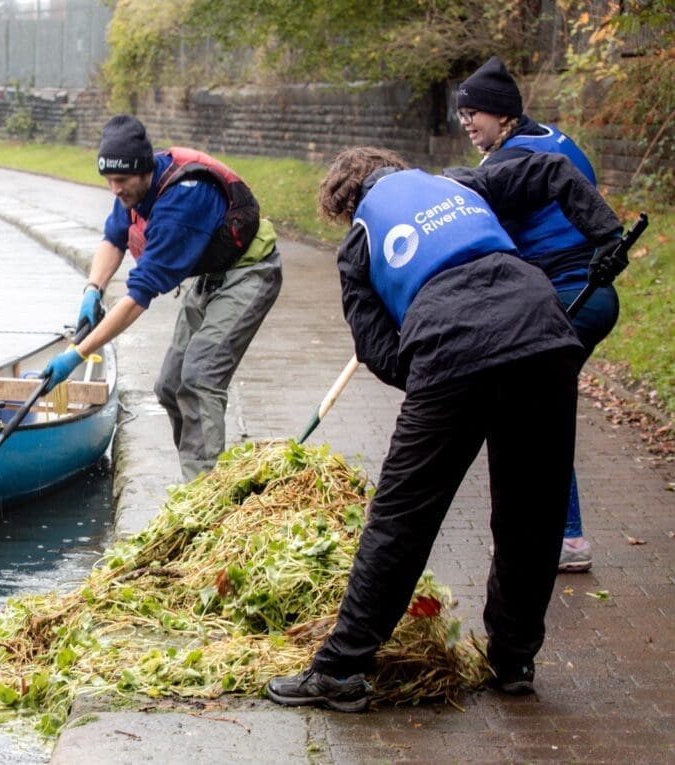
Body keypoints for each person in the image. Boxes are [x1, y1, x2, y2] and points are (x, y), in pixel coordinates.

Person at [265, 146, 623, 712]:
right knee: (533, 509)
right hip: (544, 329)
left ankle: (340, 668)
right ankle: (513, 659)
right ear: (397, 167)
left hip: (449, 352)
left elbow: (374, 345)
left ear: (345, 203)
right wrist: (606, 236)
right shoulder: (460, 183)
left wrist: (433, 375)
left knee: (402, 517)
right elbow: (551, 170)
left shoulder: (359, 241)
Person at [40, 115, 282, 481]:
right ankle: (202, 475)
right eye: (109, 181)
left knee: (200, 379)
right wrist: (92, 289)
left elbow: (137, 298)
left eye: (121, 181)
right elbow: (113, 238)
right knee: (169, 386)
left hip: (250, 273)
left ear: (144, 170)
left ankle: (203, 493)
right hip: (211, 278)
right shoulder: (132, 190)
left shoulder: (182, 203)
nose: (115, 190)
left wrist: (77, 353)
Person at [457, 56, 616, 572]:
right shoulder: (558, 139)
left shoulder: (505, 164)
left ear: (504, 115)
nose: (466, 121)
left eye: (475, 112)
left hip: (564, 298)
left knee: (529, 415)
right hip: (595, 296)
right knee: (541, 411)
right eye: (462, 113)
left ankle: (562, 538)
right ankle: (561, 535)